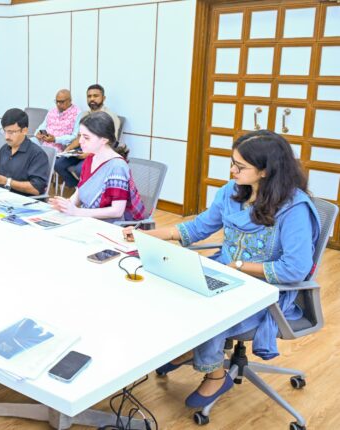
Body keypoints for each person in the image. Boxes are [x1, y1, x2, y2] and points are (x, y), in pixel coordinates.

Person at [123, 130, 320, 408]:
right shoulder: (232, 192)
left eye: (240, 166)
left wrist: (238, 266)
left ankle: (216, 375)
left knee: (209, 310)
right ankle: (191, 349)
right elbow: (197, 228)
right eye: (232, 163)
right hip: (226, 273)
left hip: (266, 290)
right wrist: (144, 235)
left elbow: (295, 269)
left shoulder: (294, 209)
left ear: (265, 171)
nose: (232, 171)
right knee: (171, 291)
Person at [49, 111, 145, 222]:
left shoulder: (117, 167)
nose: (80, 141)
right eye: (80, 136)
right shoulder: (90, 158)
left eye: (86, 137)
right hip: (89, 220)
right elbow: (80, 192)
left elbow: (117, 211)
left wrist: (77, 211)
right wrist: (66, 205)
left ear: (104, 140)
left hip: (110, 225)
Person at [55, 84, 122, 189]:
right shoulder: (84, 115)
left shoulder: (110, 117)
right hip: (83, 149)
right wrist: (68, 149)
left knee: (80, 169)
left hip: (100, 152)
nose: (92, 99)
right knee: (58, 164)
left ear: (103, 98)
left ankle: (87, 190)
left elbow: (110, 143)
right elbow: (79, 137)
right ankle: (79, 188)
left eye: (96, 96)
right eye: (89, 96)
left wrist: (89, 154)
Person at [0, 108, 50, 197]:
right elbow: (1, 179)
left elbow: (37, 189)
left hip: (25, 201)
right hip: (2, 197)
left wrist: (6, 181)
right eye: (5, 131)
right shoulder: (4, 150)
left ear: (24, 131)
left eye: (11, 132)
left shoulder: (37, 154)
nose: (6, 137)